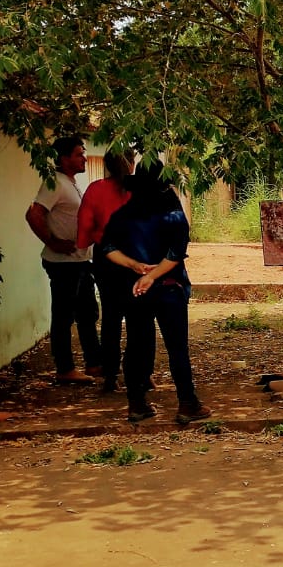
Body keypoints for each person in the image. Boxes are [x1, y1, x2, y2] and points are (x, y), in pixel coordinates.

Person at [102, 161, 210, 425]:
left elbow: (106, 247)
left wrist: (134, 266)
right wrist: (152, 276)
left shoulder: (122, 216)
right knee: (177, 348)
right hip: (168, 289)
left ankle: (136, 404)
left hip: (136, 289)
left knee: (137, 345)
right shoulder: (173, 216)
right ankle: (187, 403)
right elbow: (175, 255)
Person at [25, 135, 100, 385]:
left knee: (88, 313)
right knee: (64, 316)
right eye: (79, 154)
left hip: (80, 260)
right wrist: (53, 242)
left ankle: (94, 362)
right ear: (64, 158)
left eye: (83, 153)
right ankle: (65, 368)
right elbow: (34, 215)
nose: (84, 158)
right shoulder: (53, 183)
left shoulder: (72, 182)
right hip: (63, 263)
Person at [77, 151, 136, 395]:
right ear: (132, 163)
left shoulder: (95, 189)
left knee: (111, 318)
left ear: (106, 165)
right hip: (137, 257)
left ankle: (111, 375)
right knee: (138, 318)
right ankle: (140, 373)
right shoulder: (140, 190)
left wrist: (90, 241)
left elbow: (83, 230)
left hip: (106, 258)